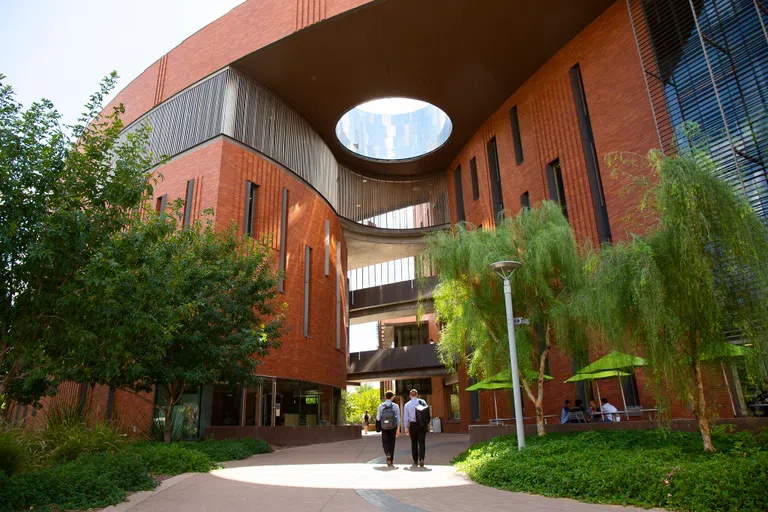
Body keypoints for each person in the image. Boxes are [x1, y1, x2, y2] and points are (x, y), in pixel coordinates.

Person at [403, 389, 429, 467]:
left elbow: (405, 417)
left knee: (414, 443)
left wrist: (406, 428)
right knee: (422, 442)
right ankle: (422, 459)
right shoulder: (422, 402)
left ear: (410, 395)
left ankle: (415, 460)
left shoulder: (407, 405)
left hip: (413, 425)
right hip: (421, 425)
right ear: (417, 395)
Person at [376, 391, 400, 466]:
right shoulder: (395, 406)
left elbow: (378, 418)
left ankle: (387, 454)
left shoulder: (381, 406)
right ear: (392, 397)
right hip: (393, 427)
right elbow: (398, 418)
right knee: (392, 443)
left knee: (385, 442)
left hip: (384, 427)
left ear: (385, 397)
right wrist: (398, 429)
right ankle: (391, 460)